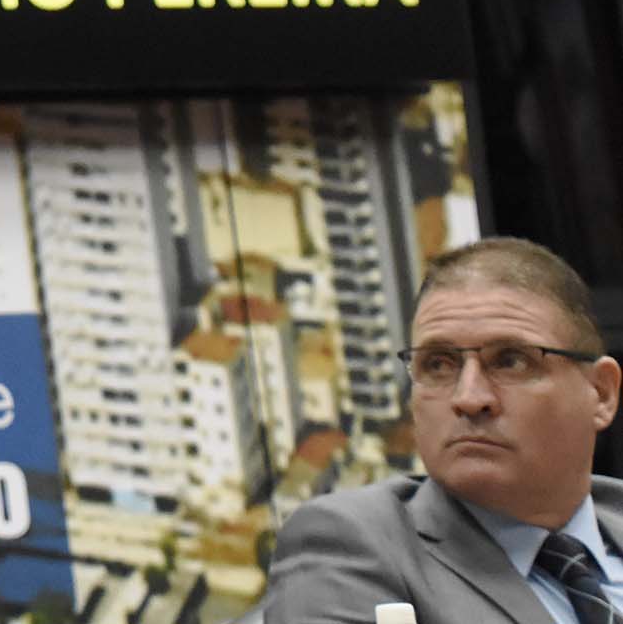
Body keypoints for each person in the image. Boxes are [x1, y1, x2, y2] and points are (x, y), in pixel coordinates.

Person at [262, 236, 623, 622]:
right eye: (438, 365)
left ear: (600, 394)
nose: (468, 398)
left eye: (511, 361)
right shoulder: (347, 544)